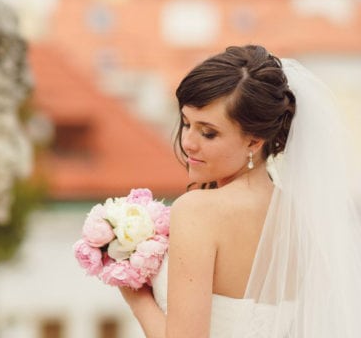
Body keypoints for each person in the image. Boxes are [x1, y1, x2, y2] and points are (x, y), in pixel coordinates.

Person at [119, 45, 361, 337]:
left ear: (254, 141)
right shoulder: (301, 218)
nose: (188, 143)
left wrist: (136, 297)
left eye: (208, 132)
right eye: (185, 123)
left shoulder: (198, 211)